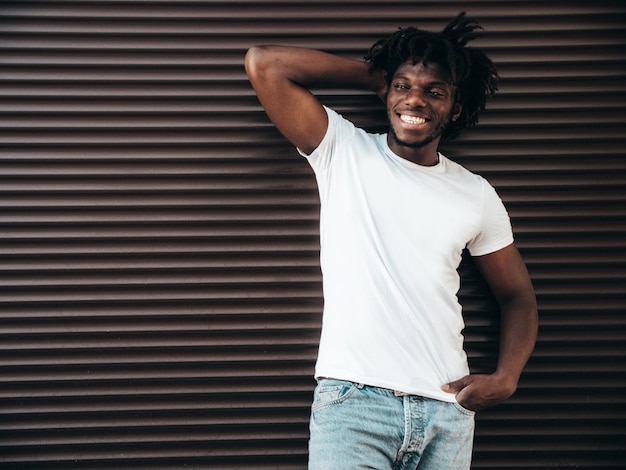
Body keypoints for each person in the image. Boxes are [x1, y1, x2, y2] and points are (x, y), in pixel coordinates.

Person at [245, 12, 538, 470]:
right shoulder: (343, 150)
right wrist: (383, 75)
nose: (415, 100)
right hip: (353, 406)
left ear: (455, 109)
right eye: (404, 88)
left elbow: (517, 295)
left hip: (447, 410)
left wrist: (507, 377)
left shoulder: (475, 193)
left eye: (434, 91)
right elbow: (264, 63)